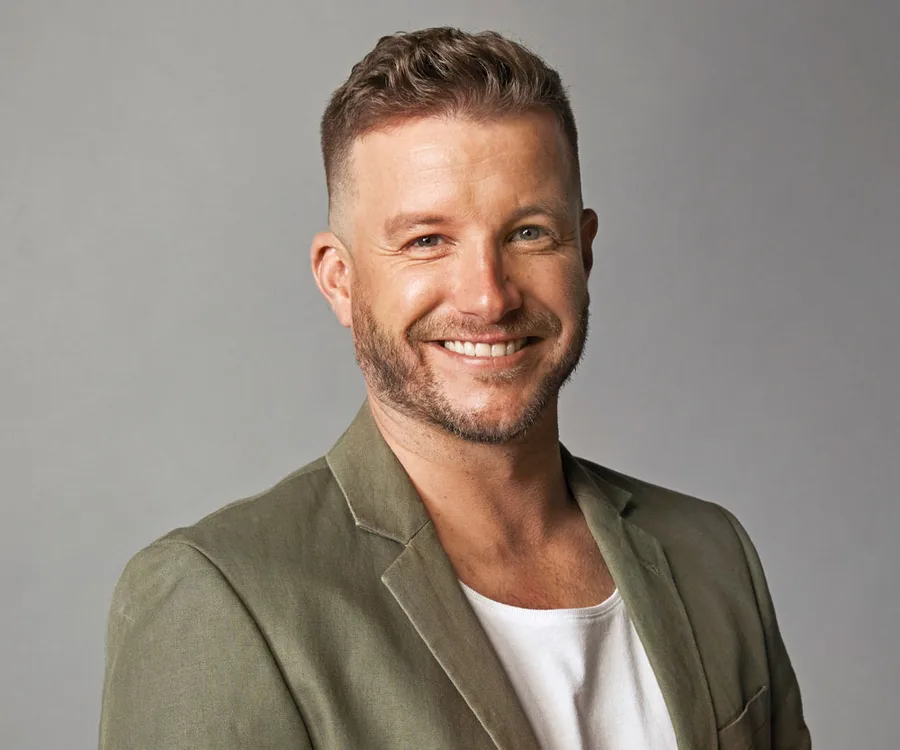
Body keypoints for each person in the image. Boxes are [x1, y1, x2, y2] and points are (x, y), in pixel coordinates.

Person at [98, 27, 811, 750]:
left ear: (584, 252)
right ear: (340, 280)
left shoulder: (711, 553)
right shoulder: (224, 600)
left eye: (529, 234)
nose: (489, 297)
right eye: (427, 241)